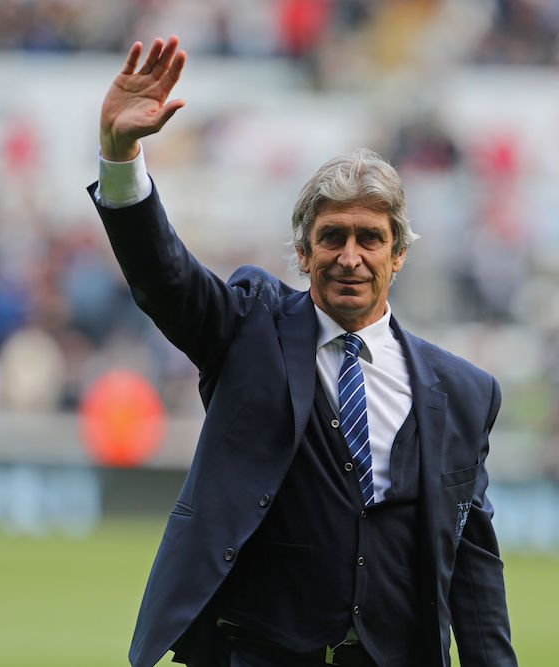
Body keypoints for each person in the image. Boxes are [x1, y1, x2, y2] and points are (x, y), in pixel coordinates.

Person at [89, 36, 517, 667]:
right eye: (332, 237)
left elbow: (475, 570)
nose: (350, 256)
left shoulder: (463, 392)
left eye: (370, 238)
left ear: (398, 254)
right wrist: (120, 156)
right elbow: (166, 278)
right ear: (303, 251)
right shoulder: (249, 326)